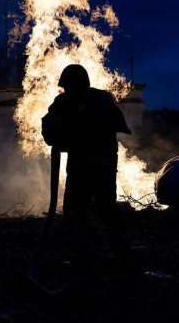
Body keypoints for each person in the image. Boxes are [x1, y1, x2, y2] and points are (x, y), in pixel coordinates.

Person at [41, 64, 132, 265]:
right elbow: (49, 125)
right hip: (91, 169)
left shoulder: (90, 101)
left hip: (92, 169)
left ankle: (115, 253)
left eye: (69, 86)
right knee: (87, 211)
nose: (67, 91)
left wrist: (73, 130)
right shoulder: (92, 100)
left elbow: (114, 124)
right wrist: (59, 136)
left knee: (93, 210)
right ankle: (92, 254)